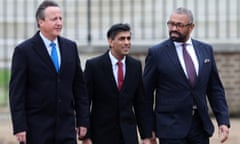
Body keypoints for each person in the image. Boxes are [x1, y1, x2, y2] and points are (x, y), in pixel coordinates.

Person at [143, 7, 230, 144]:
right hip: (170, 128)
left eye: (179, 25)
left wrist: (223, 121)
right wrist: (147, 131)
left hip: (200, 127)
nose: (174, 28)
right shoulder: (156, 53)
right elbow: (146, 95)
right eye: (171, 24)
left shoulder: (206, 50)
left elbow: (215, 89)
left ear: (191, 27)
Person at [9, 1, 89, 144]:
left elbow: (79, 87)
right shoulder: (24, 51)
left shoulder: (70, 47)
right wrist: (20, 126)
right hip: (37, 129)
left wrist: (83, 120)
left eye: (60, 18)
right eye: (54, 19)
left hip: (66, 128)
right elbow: (17, 92)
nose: (59, 23)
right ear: (41, 22)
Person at [82, 23, 151, 144]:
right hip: (101, 135)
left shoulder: (135, 66)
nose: (126, 42)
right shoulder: (94, 66)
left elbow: (140, 103)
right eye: (122, 39)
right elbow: (85, 101)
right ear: (111, 41)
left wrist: (146, 136)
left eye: (128, 38)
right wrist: (87, 136)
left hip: (128, 136)